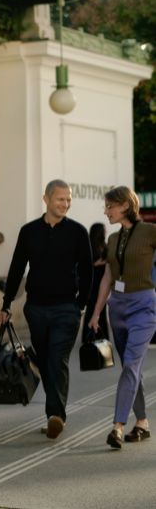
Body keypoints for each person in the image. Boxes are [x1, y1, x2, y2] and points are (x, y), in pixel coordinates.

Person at [0, 179, 92, 440]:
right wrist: (6, 304)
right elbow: (17, 268)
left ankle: (55, 416)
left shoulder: (78, 232)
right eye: (61, 199)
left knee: (57, 360)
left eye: (69, 199)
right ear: (47, 199)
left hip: (66, 309)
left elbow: (87, 272)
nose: (65, 204)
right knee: (45, 360)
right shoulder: (29, 232)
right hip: (36, 309)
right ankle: (56, 413)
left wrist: (81, 305)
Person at [86, 186, 156, 449]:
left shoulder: (150, 232)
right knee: (131, 366)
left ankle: (117, 427)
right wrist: (95, 314)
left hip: (143, 307)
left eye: (110, 206)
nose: (106, 211)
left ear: (125, 205)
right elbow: (107, 277)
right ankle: (143, 424)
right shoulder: (113, 239)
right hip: (117, 308)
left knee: (130, 366)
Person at [84, 222, 110, 340]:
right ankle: (89, 335)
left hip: (103, 280)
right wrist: (100, 262)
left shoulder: (104, 246)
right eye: (103, 230)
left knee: (101, 309)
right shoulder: (89, 246)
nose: (105, 232)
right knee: (91, 309)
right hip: (93, 282)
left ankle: (101, 335)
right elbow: (89, 264)